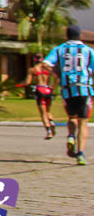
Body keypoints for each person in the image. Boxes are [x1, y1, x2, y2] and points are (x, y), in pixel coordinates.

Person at [43, 24, 94, 165]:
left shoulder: (59, 49)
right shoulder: (88, 51)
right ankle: (81, 154)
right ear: (81, 36)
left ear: (67, 36)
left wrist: (57, 73)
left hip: (67, 88)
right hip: (84, 88)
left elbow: (45, 64)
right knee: (83, 122)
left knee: (72, 117)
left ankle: (71, 136)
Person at [20, 55, 57, 139]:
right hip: (48, 89)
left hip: (40, 90)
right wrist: (53, 87)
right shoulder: (48, 69)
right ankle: (51, 122)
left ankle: (49, 132)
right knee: (48, 111)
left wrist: (22, 84)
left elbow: (28, 82)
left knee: (43, 113)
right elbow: (56, 78)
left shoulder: (33, 69)